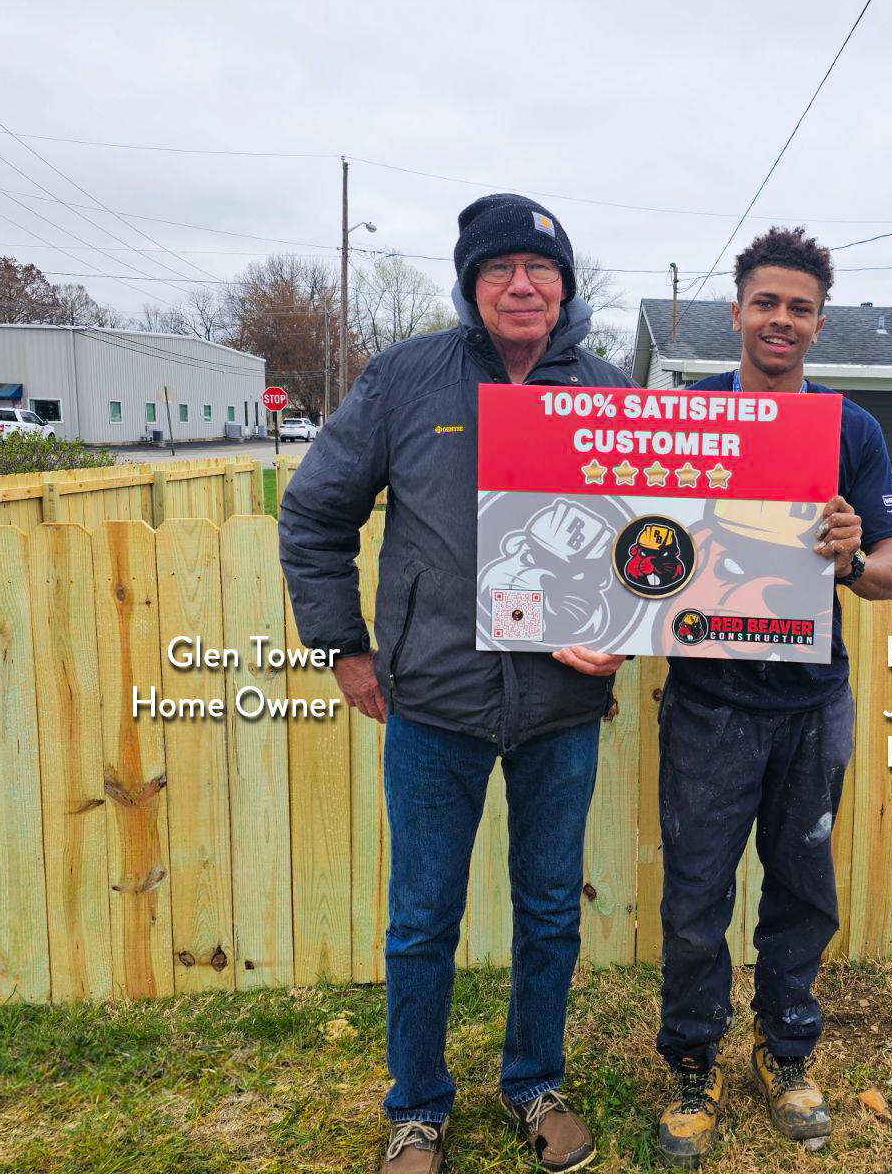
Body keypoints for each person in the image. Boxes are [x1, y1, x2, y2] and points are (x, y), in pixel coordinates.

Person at [279, 193, 632, 1174]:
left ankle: (534, 1083)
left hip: (562, 713)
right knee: (422, 917)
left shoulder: (608, 390)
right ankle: (417, 1108)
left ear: (565, 286)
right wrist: (345, 646)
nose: (521, 286)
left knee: (551, 909)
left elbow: (652, 555)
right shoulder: (404, 379)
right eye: (497, 270)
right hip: (433, 705)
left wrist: (624, 640)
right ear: (471, 285)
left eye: (540, 270)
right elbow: (313, 516)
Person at [653, 227, 892, 1168]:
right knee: (694, 897)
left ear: (817, 321)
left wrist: (850, 554)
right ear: (736, 312)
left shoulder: (849, 431)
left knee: (802, 888)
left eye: (799, 307)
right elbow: (632, 541)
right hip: (706, 702)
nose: (781, 320)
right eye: (766, 302)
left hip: (809, 702)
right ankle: (692, 1062)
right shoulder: (684, 416)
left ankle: (784, 1050)